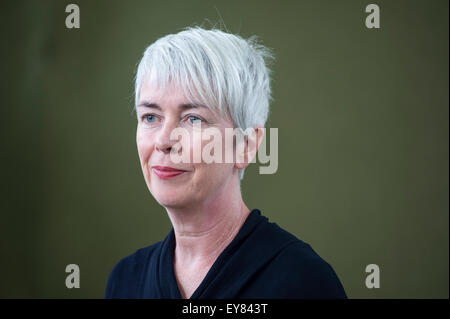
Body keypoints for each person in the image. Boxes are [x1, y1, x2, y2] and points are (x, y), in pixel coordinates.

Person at [105, 26, 347, 299]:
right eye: (150, 117)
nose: (163, 140)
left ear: (247, 145)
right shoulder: (125, 281)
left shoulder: (303, 282)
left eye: (193, 118)